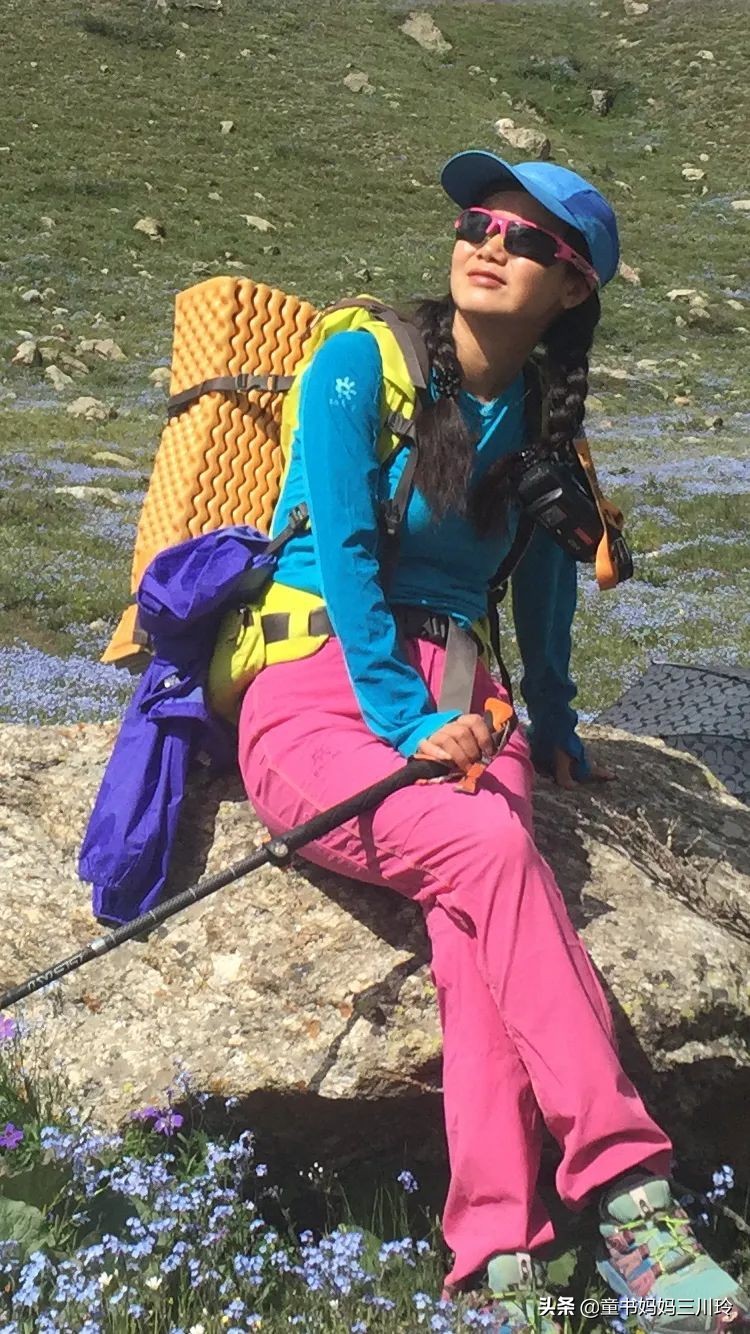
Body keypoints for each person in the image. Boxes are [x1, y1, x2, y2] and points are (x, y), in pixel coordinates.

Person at [235, 149, 750, 1329]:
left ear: (573, 288)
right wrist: (404, 719)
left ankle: (498, 1261)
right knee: (488, 853)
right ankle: (631, 1195)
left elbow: (549, 592)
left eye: (526, 241)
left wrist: (556, 721)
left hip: (473, 699)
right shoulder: (358, 362)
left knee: (479, 935)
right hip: (319, 687)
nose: (487, 244)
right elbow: (347, 554)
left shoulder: (550, 424)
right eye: (477, 222)